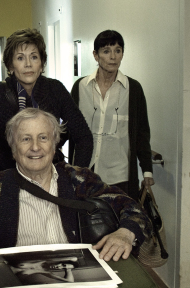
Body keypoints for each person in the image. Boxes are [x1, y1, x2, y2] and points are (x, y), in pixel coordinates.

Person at [0, 108, 151, 280]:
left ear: (54, 144)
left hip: (78, 285)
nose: (35, 147)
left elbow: (132, 208)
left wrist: (124, 233)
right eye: (25, 139)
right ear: (13, 149)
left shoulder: (79, 179)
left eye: (43, 137)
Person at [0, 28, 93, 197]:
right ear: (10, 64)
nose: (28, 64)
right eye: (20, 58)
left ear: (42, 63)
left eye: (34, 57)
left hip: (49, 181)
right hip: (4, 181)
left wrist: (76, 179)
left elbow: (84, 136)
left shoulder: (55, 90)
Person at [70, 30, 154, 198]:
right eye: (106, 51)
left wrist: (147, 170)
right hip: (85, 171)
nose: (113, 57)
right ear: (95, 55)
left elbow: (142, 132)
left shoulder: (133, 89)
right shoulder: (80, 87)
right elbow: (69, 127)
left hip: (119, 175)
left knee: (119, 222)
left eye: (118, 50)